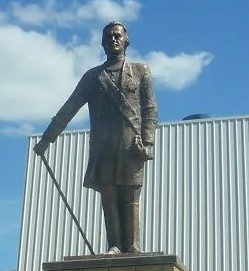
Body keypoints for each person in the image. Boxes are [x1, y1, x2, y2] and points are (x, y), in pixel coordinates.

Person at [34, 21, 158, 254]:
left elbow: (150, 109)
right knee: (109, 195)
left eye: (117, 35)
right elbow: (69, 108)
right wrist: (47, 139)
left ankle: (132, 245)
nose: (113, 39)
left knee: (131, 194)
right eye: (108, 36)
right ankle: (114, 245)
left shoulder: (142, 71)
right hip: (103, 147)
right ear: (102, 43)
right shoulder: (93, 77)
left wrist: (148, 141)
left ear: (126, 40)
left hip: (132, 144)